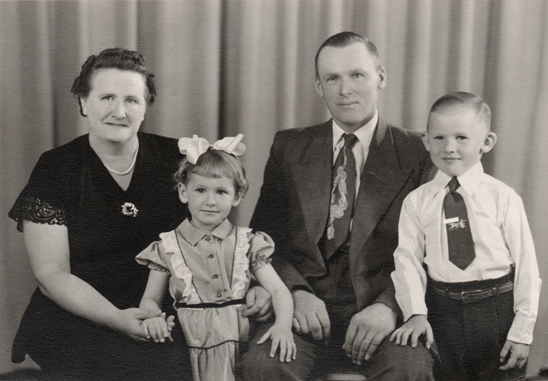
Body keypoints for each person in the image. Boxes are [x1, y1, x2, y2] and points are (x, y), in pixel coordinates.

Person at [8, 48, 270, 381]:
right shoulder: (57, 167)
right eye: (106, 97)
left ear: (145, 107)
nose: (119, 111)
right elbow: (51, 274)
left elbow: (215, 239)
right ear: (83, 103)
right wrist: (117, 318)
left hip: (163, 305)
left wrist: (252, 285)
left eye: (132, 100)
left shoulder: (179, 160)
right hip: (79, 311)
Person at [240, 32, 435, 380]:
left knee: (410, 369)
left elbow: (430, 251)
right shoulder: (289, 146)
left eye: (357, 75)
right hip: (302, 308)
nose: (344, 89)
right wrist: (295, 293)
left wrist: (388, 307)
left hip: (381, 310)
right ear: (319, 86)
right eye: (332, 78)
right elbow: (264, 238)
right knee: (262, 366)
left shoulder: (419, 152)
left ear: (381, 77)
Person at [390, 92, 541, 381]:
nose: (449, 148)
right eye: (439, 138)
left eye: (461, 138)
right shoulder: (417, 201)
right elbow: (407, 260)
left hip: (496, 311)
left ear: (486, 142)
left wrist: (521, 333)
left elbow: (527, 268)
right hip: (442, 312)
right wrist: (415, 313)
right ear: (425, 141)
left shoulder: (503, 197)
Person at [135, 134, 296, 381]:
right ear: (183, 191)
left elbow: (278, 290)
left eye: (221, 191)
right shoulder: (167, 246)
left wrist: (283, 326)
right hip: (188, 349)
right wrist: (152, 318)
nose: (210, 201)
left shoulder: (248, 242)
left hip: (240, 345)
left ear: (237, 196)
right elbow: (150, 300)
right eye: (200, 190)